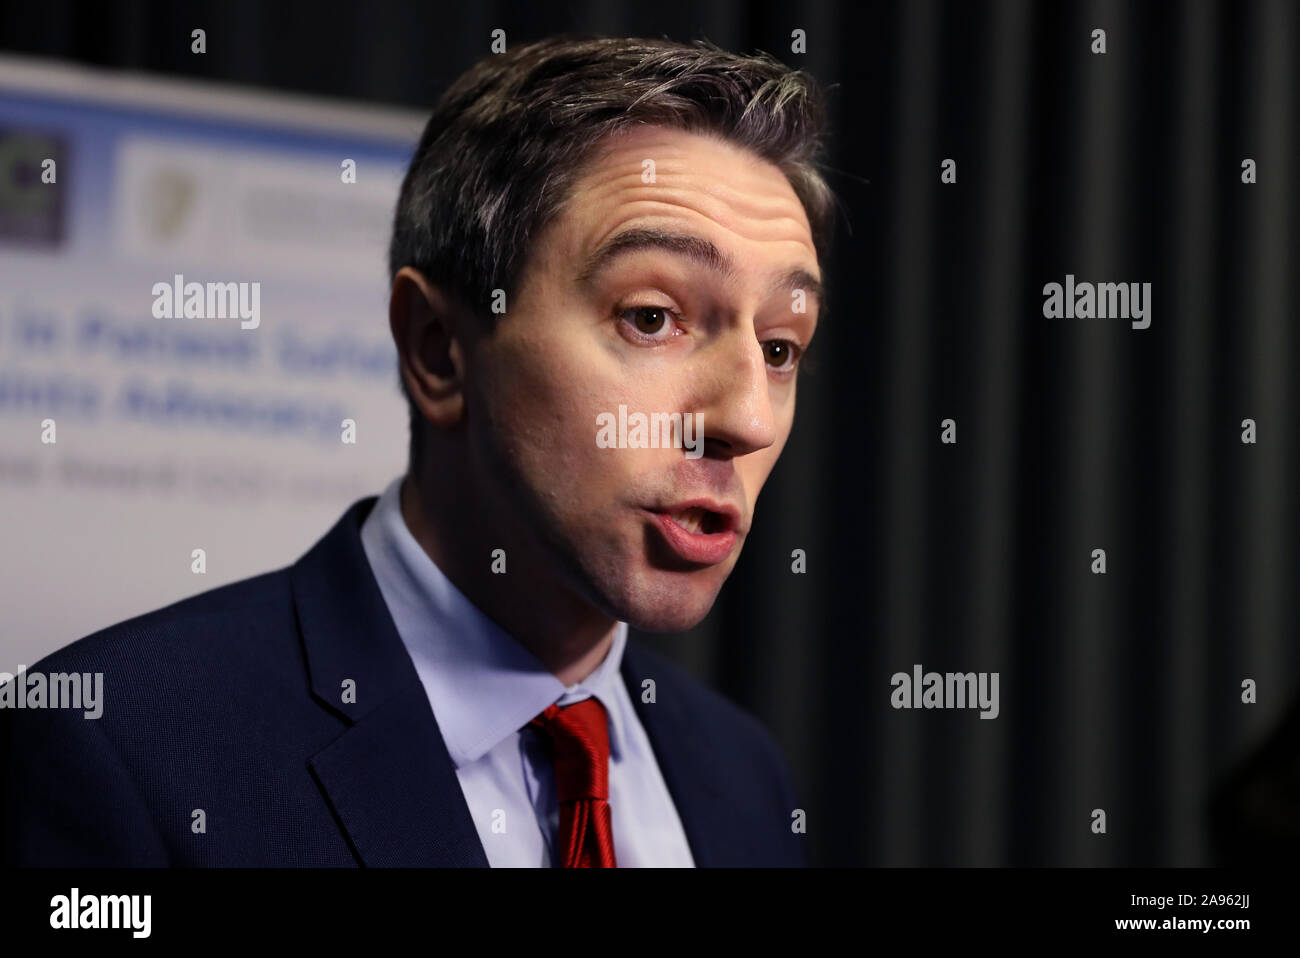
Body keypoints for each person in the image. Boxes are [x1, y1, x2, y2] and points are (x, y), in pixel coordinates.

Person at [1, 34, 834, 867]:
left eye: (780, 347)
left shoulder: (741, 775)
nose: (747, 419)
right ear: (438, 349)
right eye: (652, 317)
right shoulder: (114, 749)